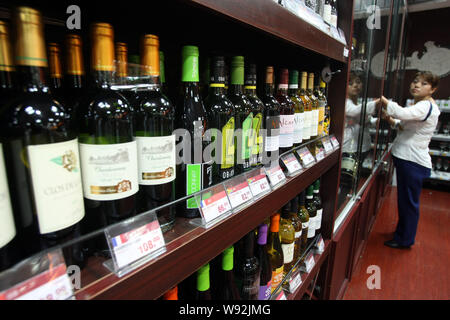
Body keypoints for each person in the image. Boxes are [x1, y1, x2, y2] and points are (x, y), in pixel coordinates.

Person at [378, 71, 440, 249]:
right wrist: (389, 119)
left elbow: (402, 114)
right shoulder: (422, 105)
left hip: (412, 161)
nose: (416, 85)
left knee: (408, 202)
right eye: (415, 82)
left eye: (423, 83)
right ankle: (402, 233)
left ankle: (404, 239)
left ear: (433, 89)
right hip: (408, 160)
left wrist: (383, 100)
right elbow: (403, 126)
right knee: (406, 201)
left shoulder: (425, 106)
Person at [338, 72, 377, 207]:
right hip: (350, 147)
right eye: (351, 83)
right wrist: (377, 103)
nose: (356, 85)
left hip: (362, 145)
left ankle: (346, 202)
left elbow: (364, 120)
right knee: (346, 179)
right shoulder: (345, 101)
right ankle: (338, 209)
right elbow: (355, 111)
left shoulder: (357, 102)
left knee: (353, 178)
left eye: (358, 82)